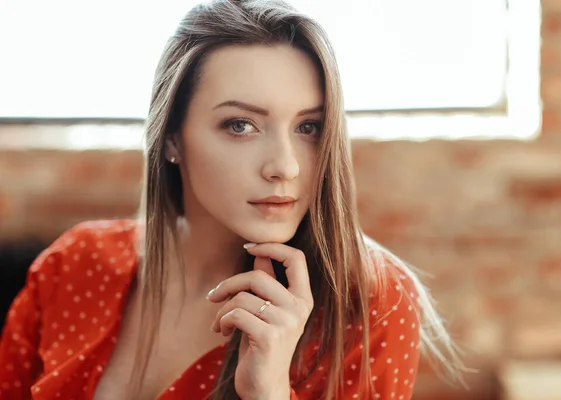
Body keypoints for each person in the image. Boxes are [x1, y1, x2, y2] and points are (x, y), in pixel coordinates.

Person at [0, 0, 466, 399]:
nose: (285, 166)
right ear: (171, 139)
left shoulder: (367, 304)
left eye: (309, 127)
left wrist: (269, 393)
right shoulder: (74, 266)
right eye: (241, 125)